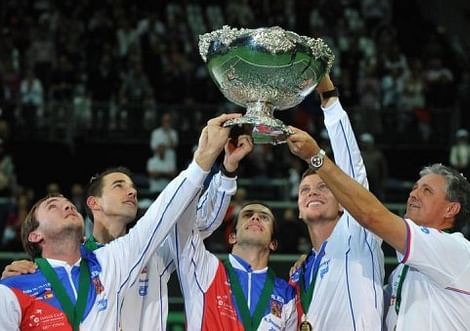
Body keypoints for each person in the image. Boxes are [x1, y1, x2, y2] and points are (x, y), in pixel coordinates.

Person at [0, 113, 244, 330]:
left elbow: (196, 222)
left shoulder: (151, 252)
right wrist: (30, 272)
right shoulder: (83, 261)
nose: (132, 192)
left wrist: (225, 171)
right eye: (119, 186)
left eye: (133, 187)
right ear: (93, 203)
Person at [286, 128, 470, 330]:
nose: (413, 195)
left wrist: (316, 157)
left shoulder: (457, 250)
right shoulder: (400, 275)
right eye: (414, 188)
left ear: (451, 209)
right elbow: (360, 303)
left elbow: (372, 217)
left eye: (426, 190)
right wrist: (316, 261)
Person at [170, 116, 297, 329]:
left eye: (264, 217)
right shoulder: (206, 270)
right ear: (232, 236)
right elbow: (181, 221)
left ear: (273, 243)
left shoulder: (286, 294)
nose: (255, 217)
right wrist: (222, 165)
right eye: (248, 215)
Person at [288, 75, 384, 330]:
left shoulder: (357, 234)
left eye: (323, 187)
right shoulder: (301, 269)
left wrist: (329, 100)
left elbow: (353, 172)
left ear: (343, 203)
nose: (312, 193)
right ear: (298, 209)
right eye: (304, 190)